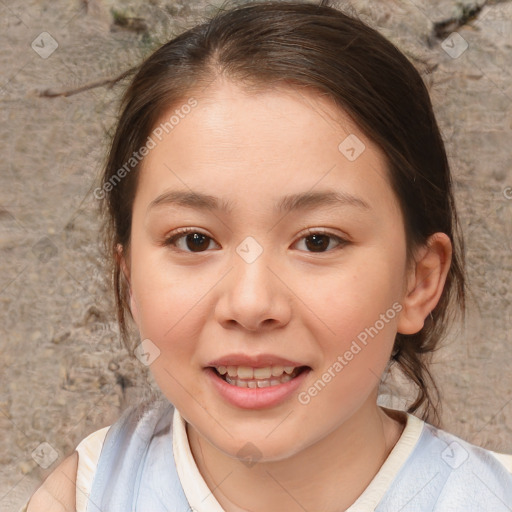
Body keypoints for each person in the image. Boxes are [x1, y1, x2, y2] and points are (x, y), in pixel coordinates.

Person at [24, 1, 512, 511]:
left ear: (418, 280)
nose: (251, 303)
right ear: (130, 280)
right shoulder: (81, 496)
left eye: (318, 241)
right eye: (194, 240)